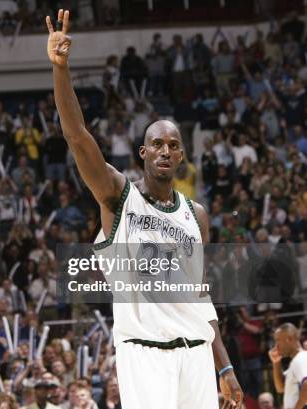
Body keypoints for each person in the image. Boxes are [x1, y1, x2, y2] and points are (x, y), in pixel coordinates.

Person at [45, 9, 242, 409]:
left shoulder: (196, 214)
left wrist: (224, 367)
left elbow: (200, 295)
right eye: (157, 144)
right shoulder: (119, 197)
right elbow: (78, 138)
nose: (165, 150)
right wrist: (61, 70)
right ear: (143, 152)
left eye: (172, 145)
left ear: (182, 155)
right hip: (145, 352)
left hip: (196, 354)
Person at [268, 323, 307, 409]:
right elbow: (280, 387)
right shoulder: (296, 361)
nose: (276, 346)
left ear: (289, 339)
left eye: (278, 340)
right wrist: (276, 362)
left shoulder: (301, 358)